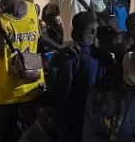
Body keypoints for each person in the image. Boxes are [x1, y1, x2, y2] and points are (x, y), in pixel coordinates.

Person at [0, 0, 65, 142]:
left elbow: (38, 36)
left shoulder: (33, 9)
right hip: (7, 89)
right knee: (3, 136)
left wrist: (61, 48)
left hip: (32, 85)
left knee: (35, 134)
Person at [47, 11, 112, 141]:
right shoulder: (104, 58)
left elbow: (53, 87)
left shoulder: (59, 57)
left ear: (72, 33)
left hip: (67, 116)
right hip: (94, 116)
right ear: (94, 31)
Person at [82, 76, 135, 142]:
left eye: (108, 104)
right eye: (99, 104)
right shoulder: (92, 100)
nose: (103, 109)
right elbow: (87, 136)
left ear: (121, 97)